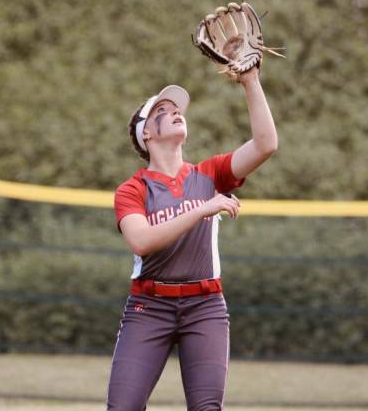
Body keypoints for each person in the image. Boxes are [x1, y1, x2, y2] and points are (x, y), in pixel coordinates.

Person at [108, 66, 277, 410]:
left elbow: (265, 144)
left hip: (205, 307)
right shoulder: (133, 189)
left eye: (177, 110)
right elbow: (142, 241)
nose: (174, 113)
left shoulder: (208, 174)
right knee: (122, 407)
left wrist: (251, 80)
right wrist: (202, 209)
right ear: (146, 135)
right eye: (162, 111)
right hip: (149, 307)